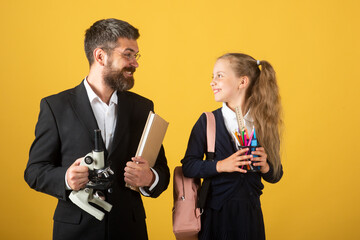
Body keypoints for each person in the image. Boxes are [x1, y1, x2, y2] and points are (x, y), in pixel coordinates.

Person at [24, 18, 170, 240]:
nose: (135, 63)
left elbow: (162, 171)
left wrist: (149, 178)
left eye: (136, 55)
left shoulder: (142, 107)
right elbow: (34, 171)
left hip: (130, 231)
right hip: (75, 232)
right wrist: (65, 178)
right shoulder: (55, 106)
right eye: (128, 54)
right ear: (100, 56)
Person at [181, 53, 283, 239]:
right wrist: (220, 165)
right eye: (212, 77)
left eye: (219, 75)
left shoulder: (263, 123)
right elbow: (188, 166)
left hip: (250, 217)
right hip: (215, 216)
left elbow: (276, 174)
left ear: (242, 82)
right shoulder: (207, 121)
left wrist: (266, 166)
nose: (212, 82)